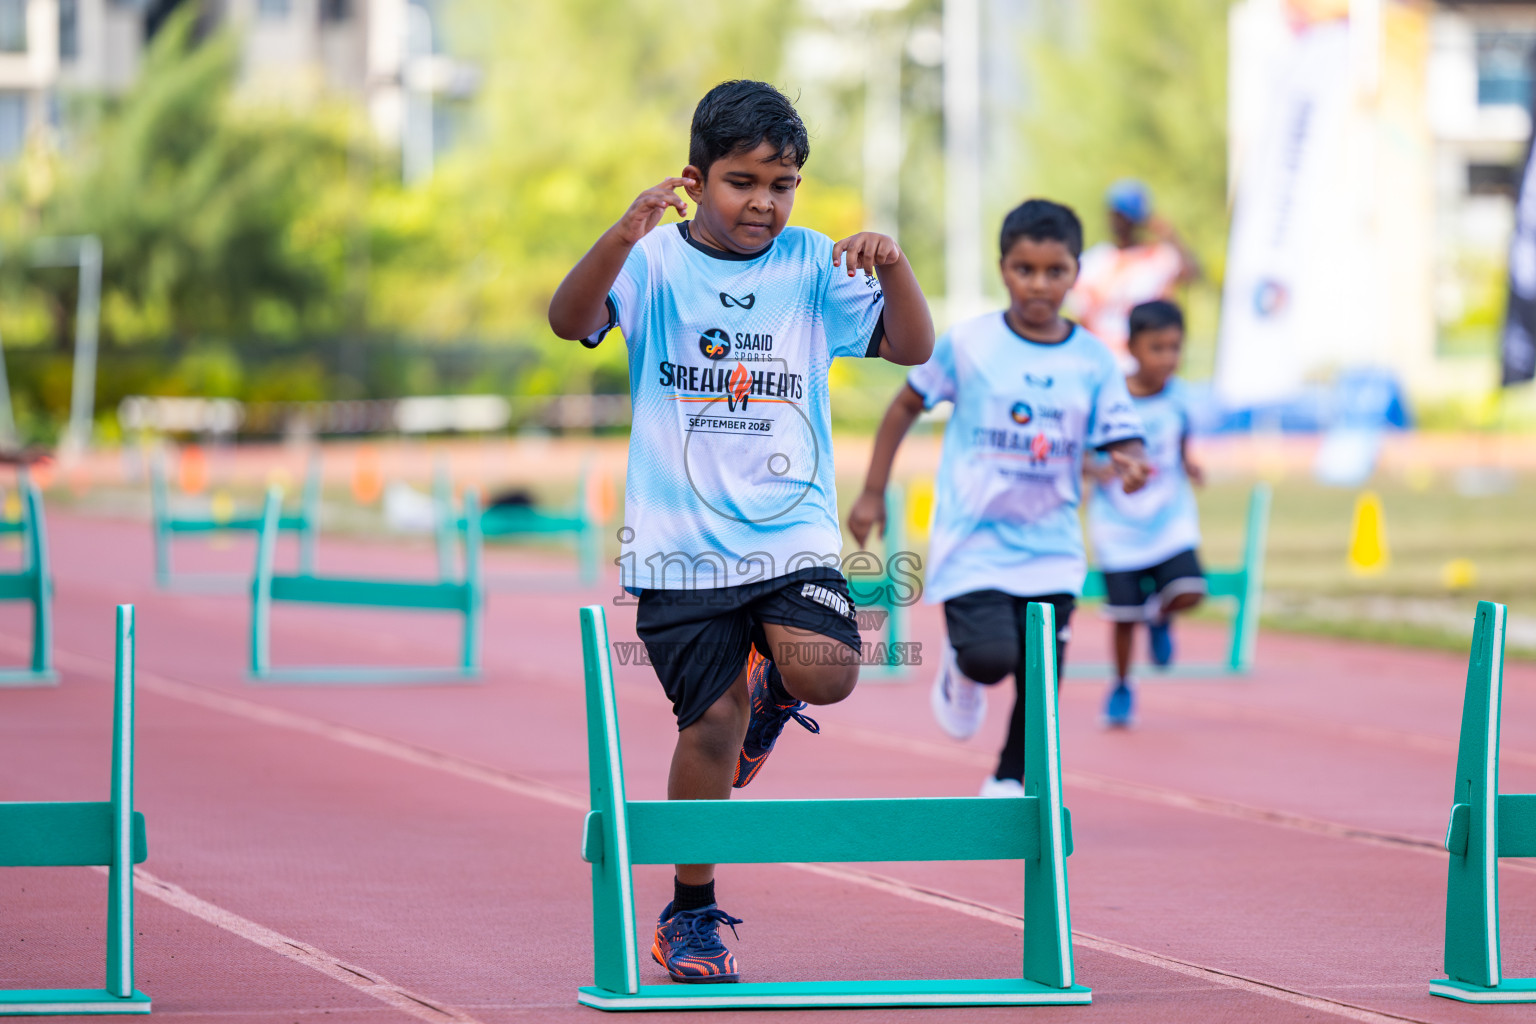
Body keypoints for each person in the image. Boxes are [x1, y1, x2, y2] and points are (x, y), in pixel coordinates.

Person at [548, 80, 934, 985]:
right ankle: (690, 911)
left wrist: (895, 267)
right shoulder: (651, 266)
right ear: (697, 178)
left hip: (790, 532)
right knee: (710, 726)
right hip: (679, 547)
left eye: (784, 182)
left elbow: (911, 348)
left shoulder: (810, 264)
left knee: (827, 673)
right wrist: (621, 233)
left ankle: (774, 698)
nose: (764, 201)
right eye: (742, 181)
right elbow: (570, 321)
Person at [848, 198, 1147, 797]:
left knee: (1041, 673)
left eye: (1055, 271)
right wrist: (873, 492)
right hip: (974, 540)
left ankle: (1012, 773)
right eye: (1024, 269)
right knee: (990, 658)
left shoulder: (1092, 360)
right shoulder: (970, 343)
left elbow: (1123, 433)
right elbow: (907, 403)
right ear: (1003, 268)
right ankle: (961, 671)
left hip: (1053, 544)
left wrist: (1132, 461)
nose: (1039, 284)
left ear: (1075, 272)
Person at [1086, 299, 1205, 728]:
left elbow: (1181, 438)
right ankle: (1121, 685)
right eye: (1158, 348)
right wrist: (1100, 469)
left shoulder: (1181, 395)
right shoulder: (1108, 396)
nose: (1168, 358)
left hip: (1170, 515)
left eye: (1175, 347)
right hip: (1117, 524)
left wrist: (1190, 464)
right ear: (1132, 347)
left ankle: (1162, 615)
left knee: (1191, 589)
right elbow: (1083, 453)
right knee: (1123, 618)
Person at [1068, 180, 1198, 362]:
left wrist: (1169, 234)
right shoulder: (1093, 262)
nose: (1123, 223)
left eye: (1129, 218)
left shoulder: (1159, 257)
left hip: (1146, 366)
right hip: (1103, 362)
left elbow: (1193, 274)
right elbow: (1081, 318)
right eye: (1118, 215)